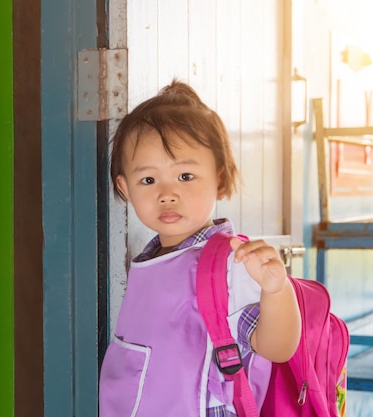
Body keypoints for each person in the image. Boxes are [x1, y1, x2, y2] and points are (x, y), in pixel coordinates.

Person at [98, 80, 302, 417]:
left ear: (220, 178)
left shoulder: (230, 262)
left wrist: (278, 291)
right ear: (125, 187)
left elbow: (277, 348)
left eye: (186, 176)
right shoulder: (150, 259)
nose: (167, 193)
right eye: (148, 180)